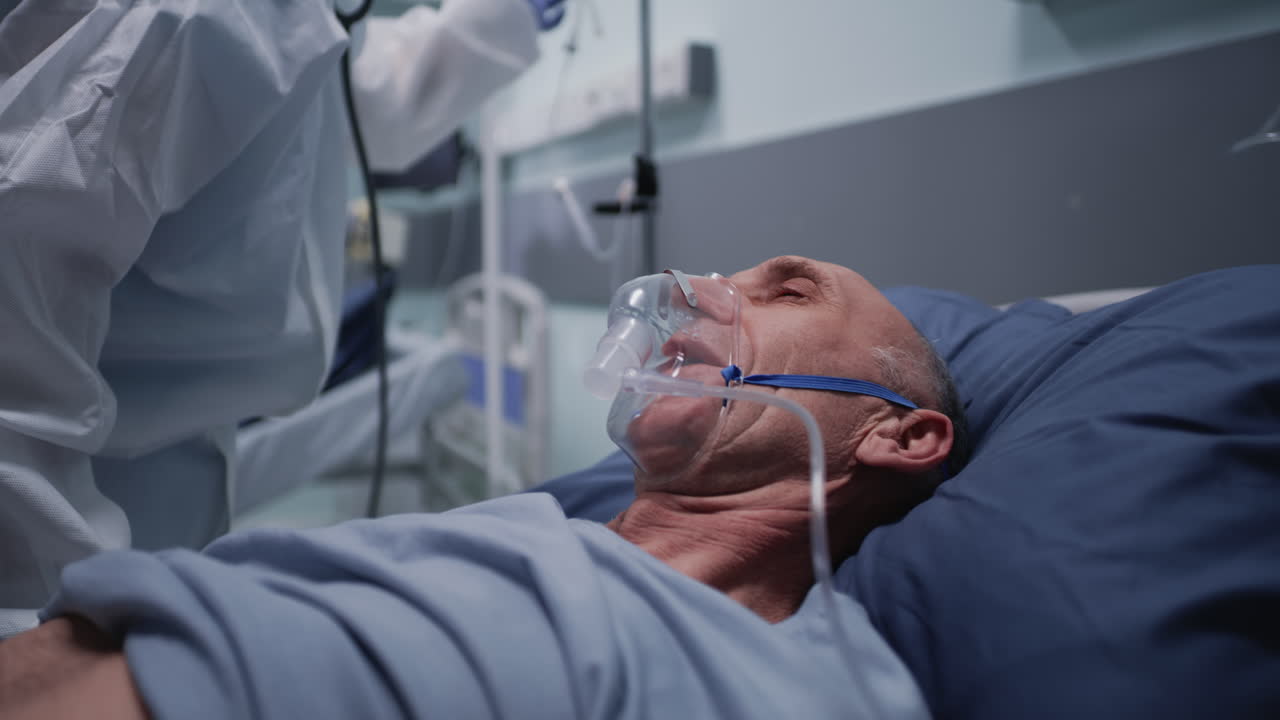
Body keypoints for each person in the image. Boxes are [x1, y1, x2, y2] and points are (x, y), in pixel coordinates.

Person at [0, 256, 970, 719]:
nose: (698, 301)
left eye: (786, 292)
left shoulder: (786, 683)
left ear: (900, 434)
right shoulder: (545, 541)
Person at [0, 0, 563, 637]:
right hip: (74, 497)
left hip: (156, 468)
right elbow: (17, 281)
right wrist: (39, 633)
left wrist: (498, 21)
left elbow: (334, 87)